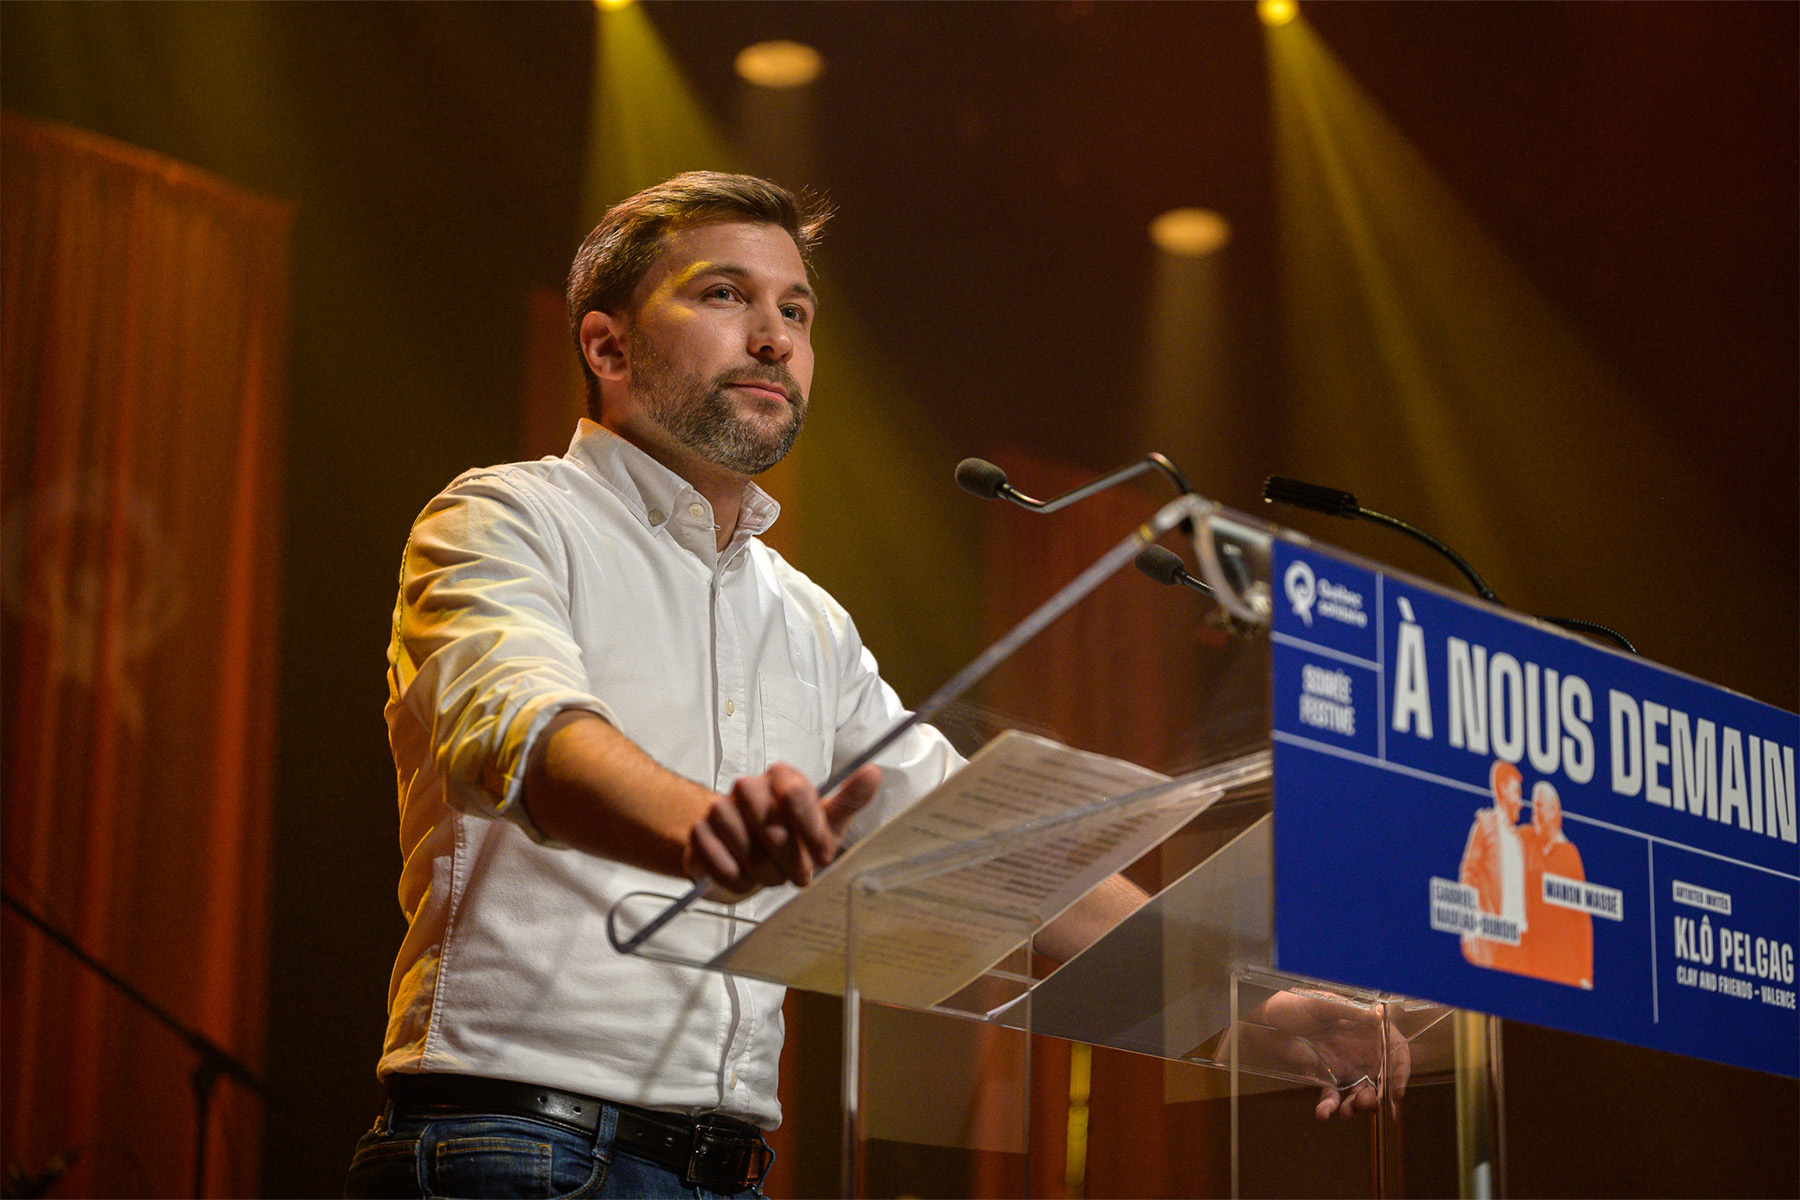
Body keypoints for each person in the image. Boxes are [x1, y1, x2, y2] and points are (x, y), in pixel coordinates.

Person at [342, 172, 1138, 1200]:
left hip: (728, 1172)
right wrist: (707, 826)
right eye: (725, 296)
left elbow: (980, 844)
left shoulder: (807, 619)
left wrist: (1244, 1002)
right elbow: (526, 734)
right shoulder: (502, 518)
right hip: (517, 1147)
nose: (774, 338)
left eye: (794, 311)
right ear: (607, 345)